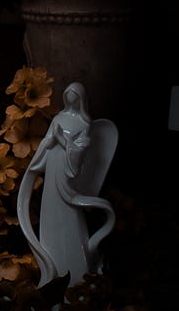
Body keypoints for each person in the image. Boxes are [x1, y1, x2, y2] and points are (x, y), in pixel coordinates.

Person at [16, 81, 117, 288]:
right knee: (50, 212)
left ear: (80, 99)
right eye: (68, 95)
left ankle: (77, 274)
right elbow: (47, 141)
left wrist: (61, 140)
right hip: (53, 168)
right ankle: (52, 271)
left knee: (70, 216)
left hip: (67, 175)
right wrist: (49, 142)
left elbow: (79, 151)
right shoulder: (59, 118)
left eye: (74, 96)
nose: (70, 99)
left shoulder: (84, 123)